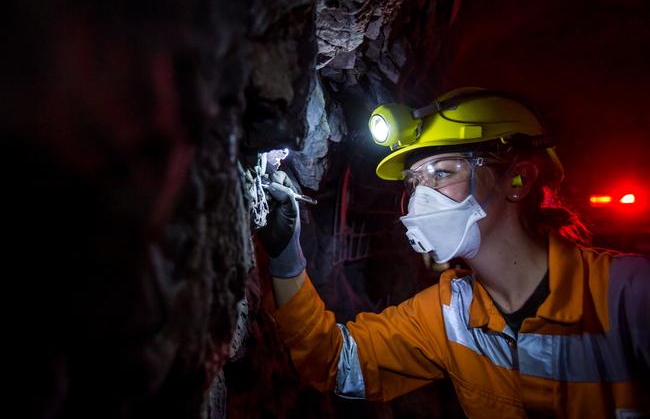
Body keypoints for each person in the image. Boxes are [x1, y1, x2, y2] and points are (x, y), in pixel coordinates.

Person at [258, 88, 649, 418]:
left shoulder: (628, 298)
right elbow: (338, 364)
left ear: (518, 179)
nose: (419, 198)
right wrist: (286, 259)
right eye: (414, 181)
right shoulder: (448, 316)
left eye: (443, 173)